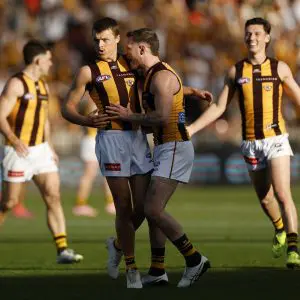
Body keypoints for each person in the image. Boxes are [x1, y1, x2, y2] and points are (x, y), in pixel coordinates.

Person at [186, 17, 300, 268]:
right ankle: (280, 228)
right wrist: (192, 128)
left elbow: (297, 97)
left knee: (282, 193)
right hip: (250, 143)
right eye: (248, 33)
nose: (252, 38)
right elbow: (219, 106)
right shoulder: (236, 71)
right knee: (265, 198)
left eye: (257, 33)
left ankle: (293, 246)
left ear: (267, 37)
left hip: (276, 138)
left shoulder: (280, 69)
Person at [106, 28, 211, 288]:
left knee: (152, 209)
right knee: (150, 210)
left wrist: (129, 116)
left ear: (143, 48)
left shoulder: (161, 76)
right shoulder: (153, 75)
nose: (126, 54)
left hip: (175, 146)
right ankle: (157, 269)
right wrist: (192, 90)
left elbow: (163, 117)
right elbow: (171, 90)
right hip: (165, 147)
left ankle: (194, 259)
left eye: (129, 48)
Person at [0, 39, 83, 264]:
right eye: (48, 59)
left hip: (41, 151)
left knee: (53, 196)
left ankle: (63, 249)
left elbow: (44, 119)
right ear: (37, 60)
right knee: (9, 202)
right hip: (17, 152)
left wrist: (49, 146)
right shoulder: (16, 84)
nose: (51, 63)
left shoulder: (44, 86)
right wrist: (13, 139)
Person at [73, 98, 115, 217]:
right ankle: (80, 205)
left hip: (96, 140)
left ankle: (111, 203)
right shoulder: (93, 102)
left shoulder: (92, 101)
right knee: (89, 174)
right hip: (92, 140)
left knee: (109, 172)